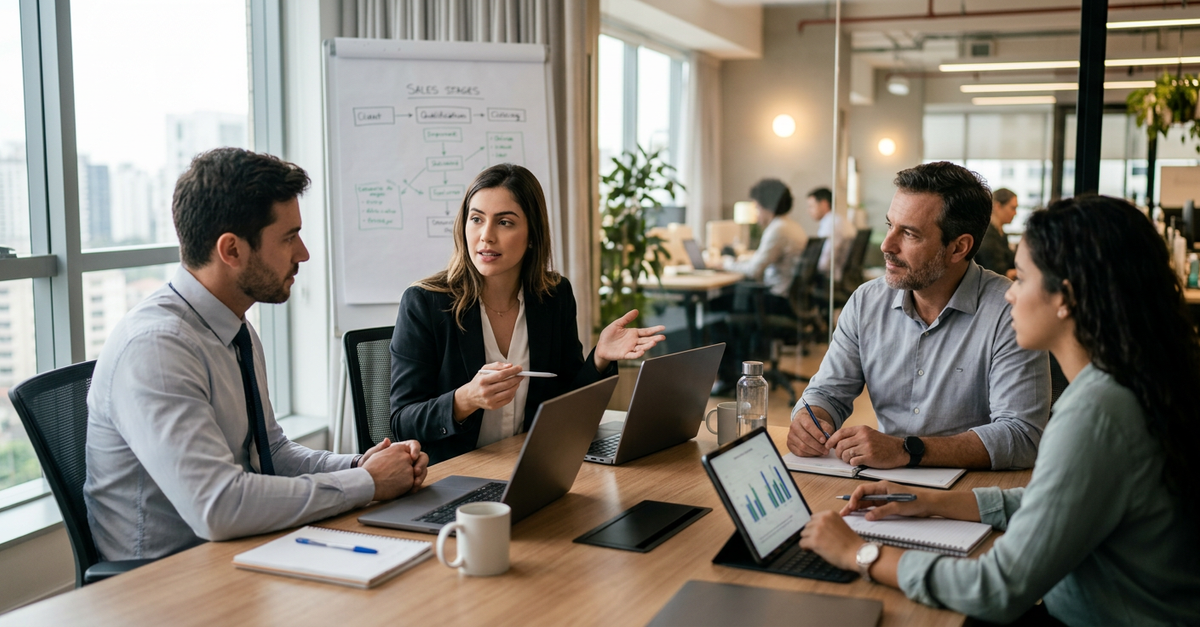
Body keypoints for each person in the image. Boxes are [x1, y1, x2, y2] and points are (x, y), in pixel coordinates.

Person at [800, 194, 1200, 625]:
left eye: (1021, 279)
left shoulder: (1095, 414)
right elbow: (1052, 503)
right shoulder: (1127, 386)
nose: (1009, 294)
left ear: (1066, 297)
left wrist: (859, 552)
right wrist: (929, 502)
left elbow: (996, 588)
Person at [85, 148, 429, 561]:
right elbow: (219, 507)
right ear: (231, 250)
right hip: (168, 579)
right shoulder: (157, 348)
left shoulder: (233, 327)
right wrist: (367, 483)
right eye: (288, 237)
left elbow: (272, 453)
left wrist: (359, 466)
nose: (302, 253)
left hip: (239, 553)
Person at [389, 164, 664, 465]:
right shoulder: (424, 303)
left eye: (504, 222)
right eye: (476, 219)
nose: (486, 236)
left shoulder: (553, 296)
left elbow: (567, 403)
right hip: (455, 473)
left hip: (530, 464)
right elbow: (403, 422)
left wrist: (600, 357)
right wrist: (465, 399)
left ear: (532, 234)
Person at [788, 162, 1049, 470]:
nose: (887, 245)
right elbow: (827, 393)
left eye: (909, 233)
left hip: (971, 488)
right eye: (890, 225)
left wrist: (907, 450)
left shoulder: (1009, 311)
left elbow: (1021, 437)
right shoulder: (866, 302)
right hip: (885, 483)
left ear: (958, 248)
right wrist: (810, 418)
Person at [806, 187, 857, 283]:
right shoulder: (838, 220)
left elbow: (825, 262)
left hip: (831, 278)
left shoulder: (831, 224)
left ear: (824, 204)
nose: (809, 211)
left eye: (811, 206)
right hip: (843, 275)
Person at [975, 187, 1018, 279]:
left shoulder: (1001, 234)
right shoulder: (987, 236)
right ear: (998, 206)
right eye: (1013, 208)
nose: (1015, 213)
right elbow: (997, 273)